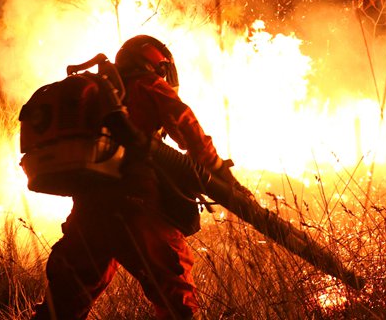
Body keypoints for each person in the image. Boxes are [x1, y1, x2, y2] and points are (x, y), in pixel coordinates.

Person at [32, 35, 247, 320]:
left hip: (88, 211)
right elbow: (187, 127)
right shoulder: (147, 84)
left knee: (63, 304)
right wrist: (225, 178)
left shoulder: (97, 92)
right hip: (138, 208)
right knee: (177, 302)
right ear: (157, 65)